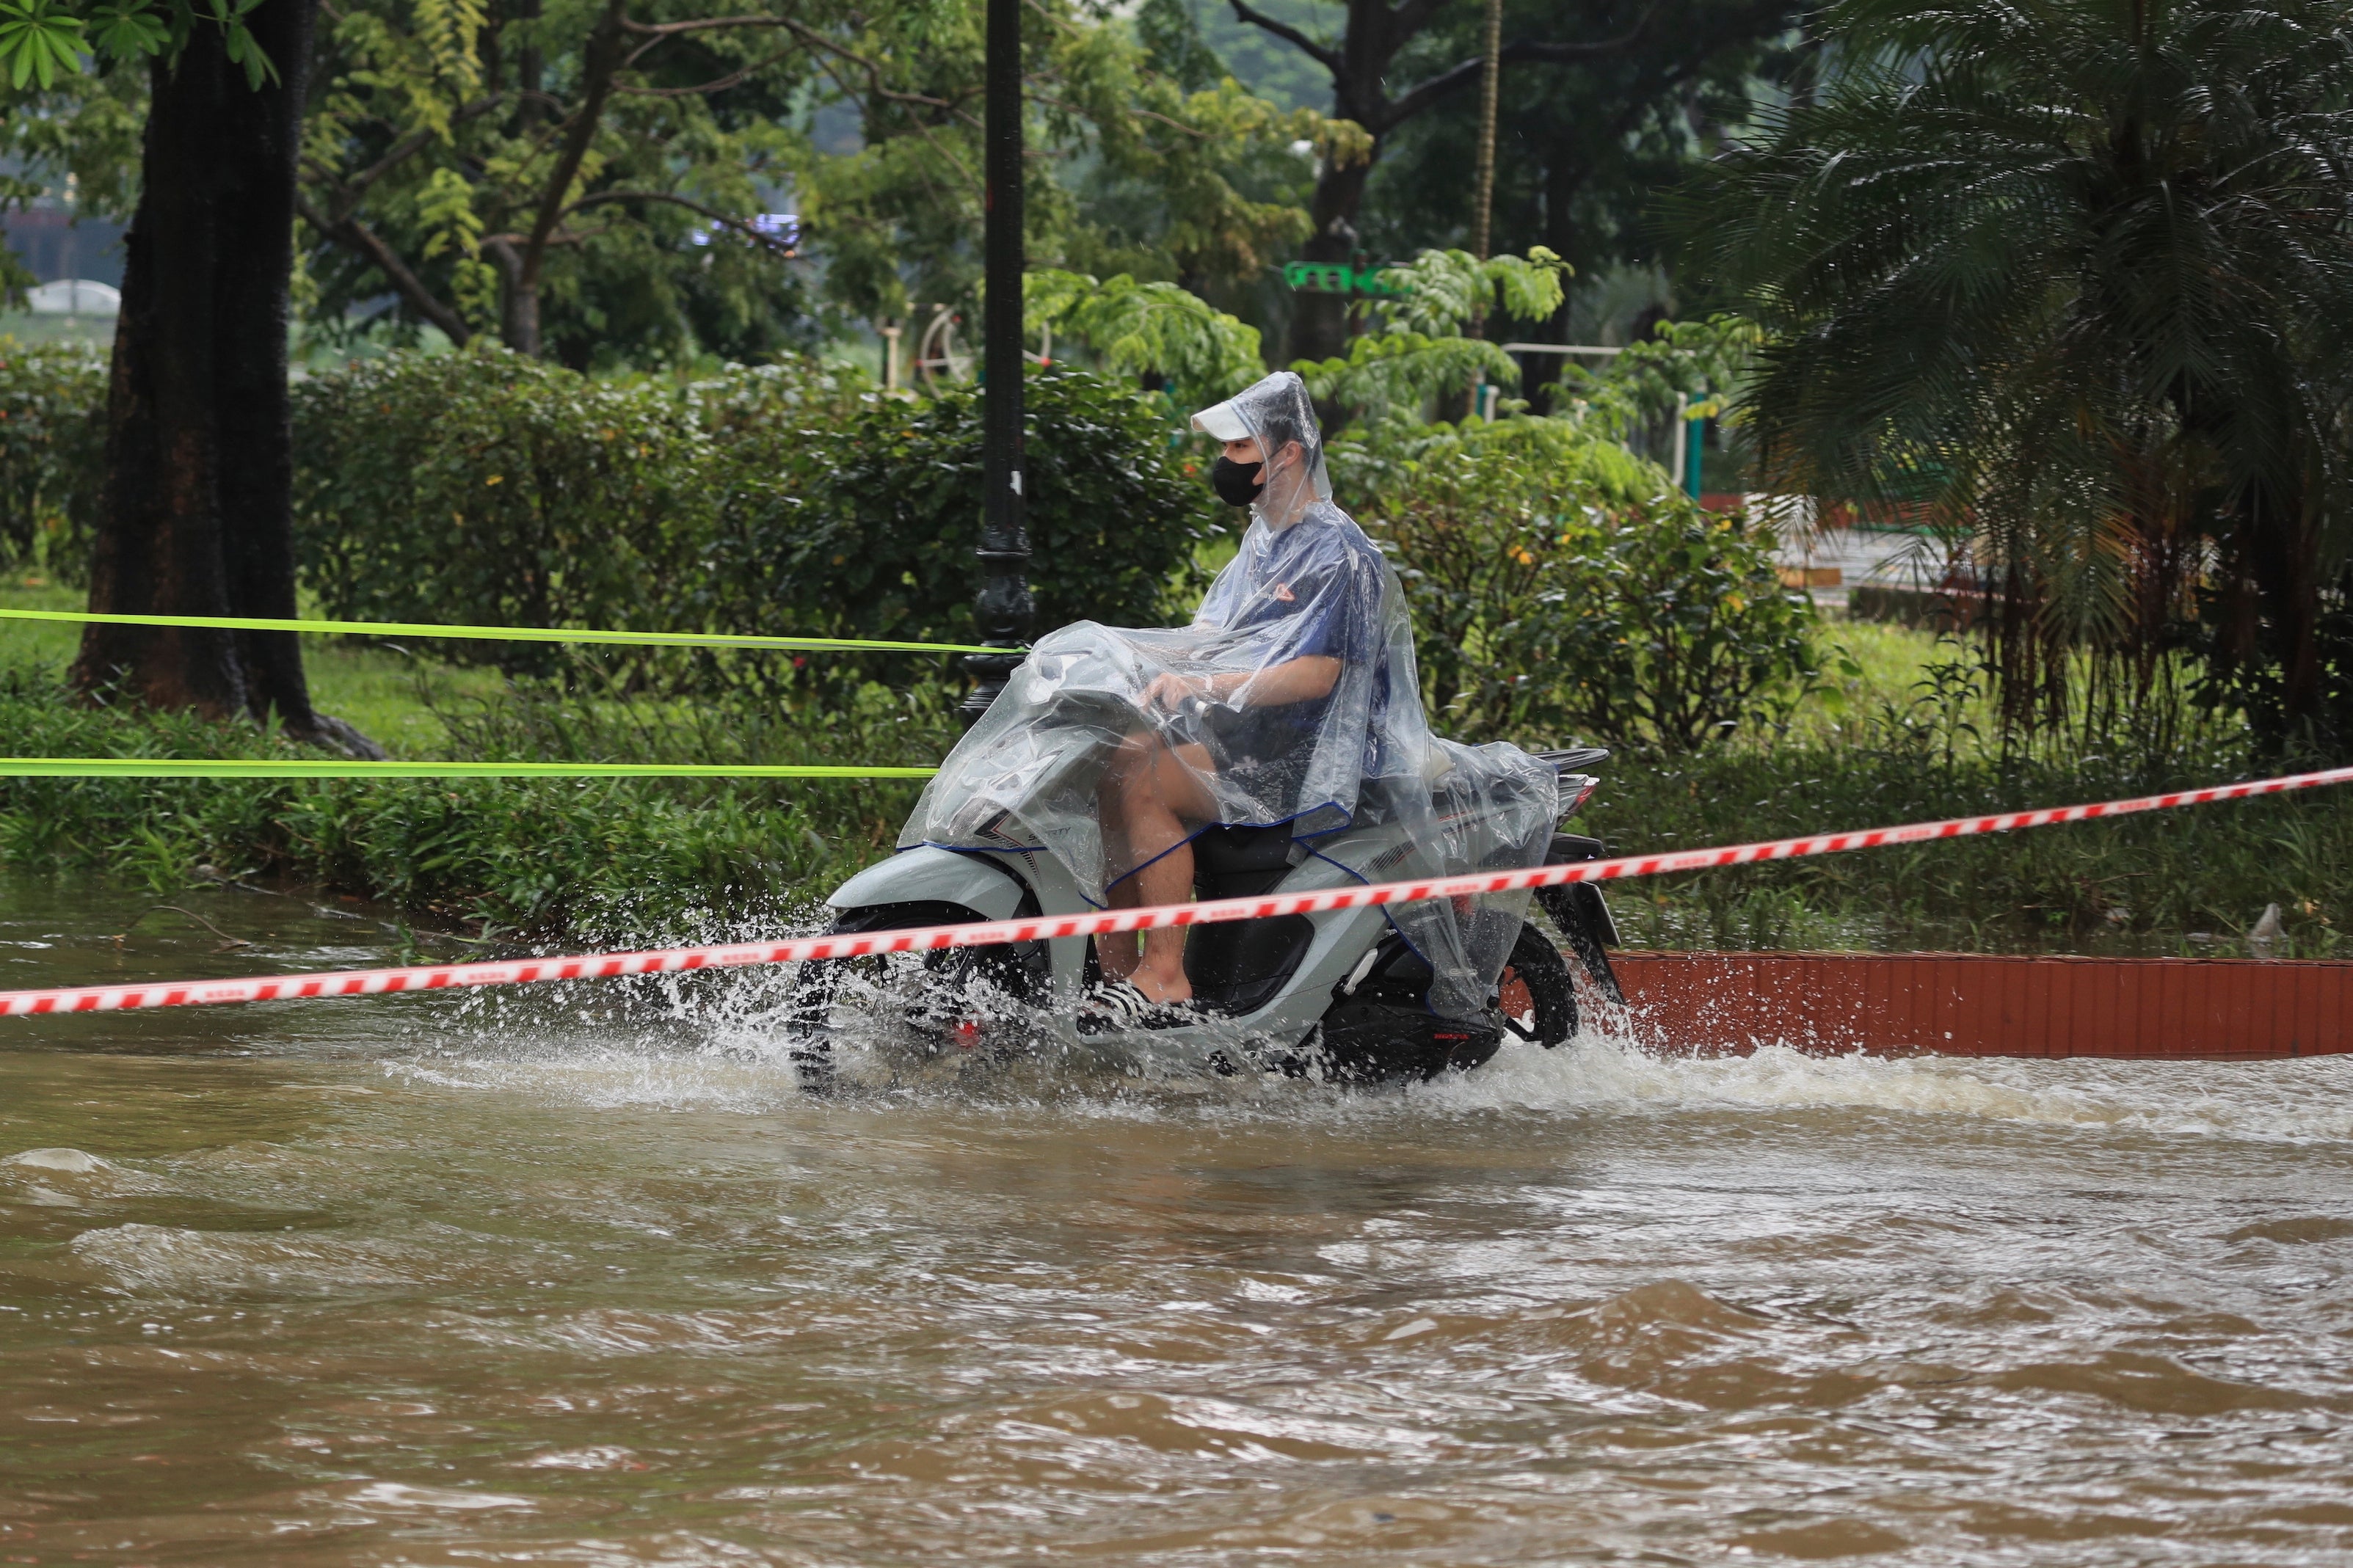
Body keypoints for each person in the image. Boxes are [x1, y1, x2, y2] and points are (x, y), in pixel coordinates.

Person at [898, 368, 1554, 1029]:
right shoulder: (1262, 544)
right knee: (1113, 763)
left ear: (1287, 452)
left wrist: (1200, 685)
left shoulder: (1340, 551)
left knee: (1145, 778)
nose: (1226, 461)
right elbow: (1212, 639)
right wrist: (1125, 664)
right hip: (1249, 746)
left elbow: (1318, 675)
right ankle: (1120, 977)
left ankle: (1165, 973)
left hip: (1312, 759)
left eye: (1240, 447)